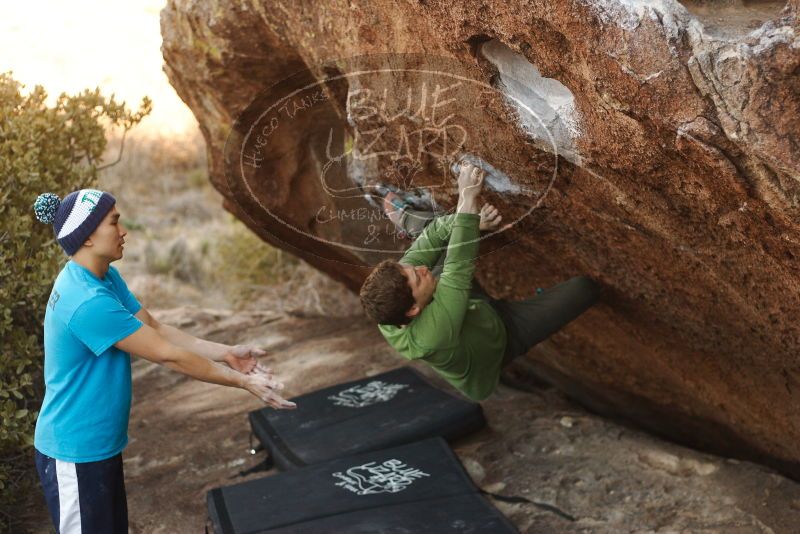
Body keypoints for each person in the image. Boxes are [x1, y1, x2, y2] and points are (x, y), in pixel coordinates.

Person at [31, 189, 295, 533]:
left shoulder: (101, 277)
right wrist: (243, 382)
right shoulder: (86, 301)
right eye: (114, 223)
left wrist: (226, 353)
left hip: (96, 446)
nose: (123, 231)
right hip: (74, 453)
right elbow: (167, 355)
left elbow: (154, 327)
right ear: (89, 236)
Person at [359, 163, 600, 401]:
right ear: (412, 309)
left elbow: (432, 237)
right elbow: (457, 265)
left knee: (438, 230)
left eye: (409, 268)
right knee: (584, 289)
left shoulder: (393, 298)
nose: (421, 269)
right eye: (416, 277)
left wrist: (472, 221)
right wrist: (467, 196)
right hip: (505, 335)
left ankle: (406, 218)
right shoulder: (431, 336)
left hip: (461, 301)